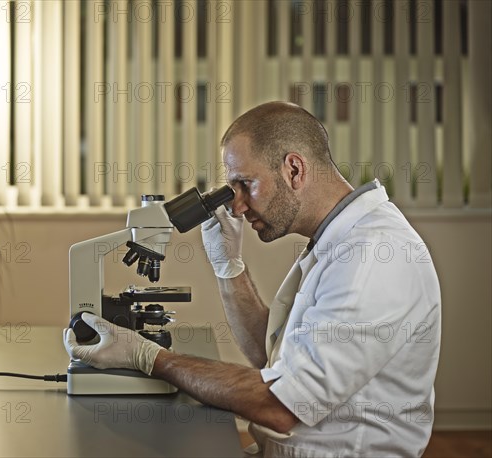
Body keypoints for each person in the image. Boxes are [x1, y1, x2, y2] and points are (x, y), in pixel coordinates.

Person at [64, 101, 442, 457]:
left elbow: (279, 404)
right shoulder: (338, 240)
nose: (238, 206)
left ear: (295, 170)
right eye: (233, 189)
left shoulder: (370, 256)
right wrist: (229, 267)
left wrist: (149, 357)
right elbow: (272, 357)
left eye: (246, 184)